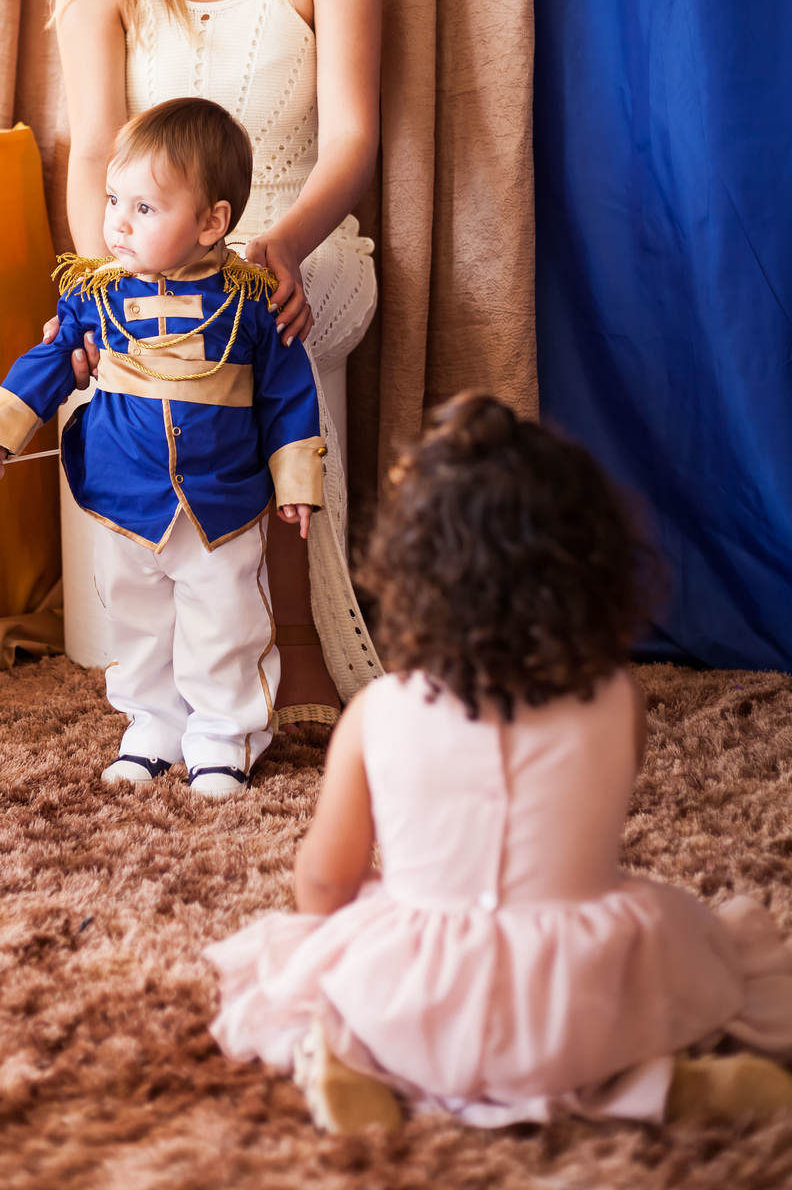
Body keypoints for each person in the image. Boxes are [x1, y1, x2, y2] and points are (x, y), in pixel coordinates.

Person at [205, 393, 792, 1131]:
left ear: (413, 578)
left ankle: (357, 1062)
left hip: (426, 1002)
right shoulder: (616, 697)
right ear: (591, 569)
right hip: (580, 996)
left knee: (318, 966)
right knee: (673, 970)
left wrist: (369, 911)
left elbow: (325, 882)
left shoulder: (379, 713)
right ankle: (659, 1084)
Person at [50, 0, 383, 728]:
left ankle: (293, 637)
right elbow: (97, 148)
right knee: (181, 324)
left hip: (305, 241)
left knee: (257, 316)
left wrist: (276, 243)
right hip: (150, 255)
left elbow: (357, 141)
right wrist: (105, 289)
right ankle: (187, 657)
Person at [0, 98, 326, 798]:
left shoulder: (249, 305)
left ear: (212, 223)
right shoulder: (94, 297)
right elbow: (46, 364)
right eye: (112, 200)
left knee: (226, 622)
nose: (118, 223)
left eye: (146, 209)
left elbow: (287, 393)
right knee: (137, 618)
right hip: (125, 494)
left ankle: (224, 735)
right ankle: (153, 727)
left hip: (220, 502)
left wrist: (298, 481)